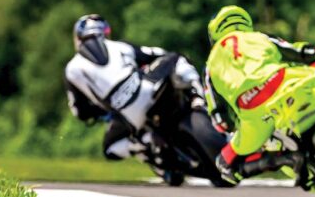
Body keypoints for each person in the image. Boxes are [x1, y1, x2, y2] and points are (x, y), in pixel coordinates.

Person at [64, 14, 209, 180]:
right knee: (177, 58)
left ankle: (144, 143)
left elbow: (79, 110)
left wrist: (101, 112)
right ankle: (199, 99)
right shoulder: (120, 46)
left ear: (78, 37)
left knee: (109, 149)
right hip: (146, 90)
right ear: (105, 32)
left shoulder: (71, 69)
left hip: (126, 115)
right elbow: (156, 53)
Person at [204, 5, 315, 185]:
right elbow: (299, 52)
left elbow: (219, 116)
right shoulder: (259, 37)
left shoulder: (209, 65)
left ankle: (284, 159)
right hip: (284, 83)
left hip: (254, 112)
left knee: (225, 163)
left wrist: (235, 127)